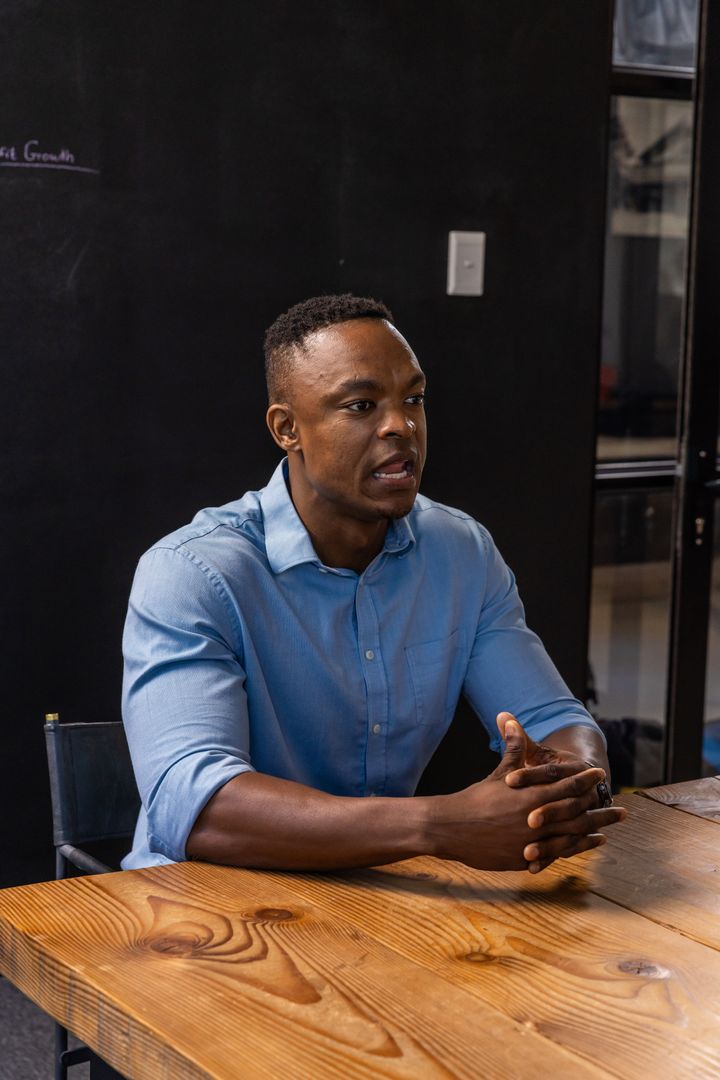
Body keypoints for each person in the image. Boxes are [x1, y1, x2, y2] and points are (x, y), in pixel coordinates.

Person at [121, 293, 626, 874]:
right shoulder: (194, 573)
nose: (401, 425)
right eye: (361, 405)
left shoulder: (462, 552)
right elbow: (196, 806)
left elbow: (554, 720)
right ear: (288, 429)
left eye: (413, 398)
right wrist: (441, 826)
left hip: (380, 899)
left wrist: (565, 793)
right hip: (197, 913)